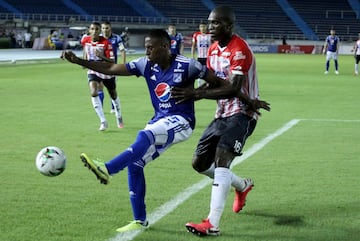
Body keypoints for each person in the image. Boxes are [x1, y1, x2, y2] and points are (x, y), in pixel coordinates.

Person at [61, 29, 233, 233]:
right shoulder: (145, 64)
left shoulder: (188, 66)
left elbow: (221, 84)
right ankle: (139, 219)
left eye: (151, 47)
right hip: (159, 119)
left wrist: (196, 93)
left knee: (144, 136)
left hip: (182, 121)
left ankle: (108, 168)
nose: (147, 51)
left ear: (166, 47)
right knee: (136, 163)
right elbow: (112, 67)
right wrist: (80, 61)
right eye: (146, 47)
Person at [171, 6, 270, 236]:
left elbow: (234, 87)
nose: (211, 27)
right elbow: (217, 83)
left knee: (222, 157)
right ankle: (242, 185)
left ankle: (212, 223)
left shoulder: (240, 50)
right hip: (222, 113)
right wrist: (192, 92)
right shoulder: (214, 49)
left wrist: (196, 94)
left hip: (243, 113)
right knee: (199, 163)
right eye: (210, 23)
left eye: (216, 23)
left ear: (229, 26)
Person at [80, 22, 123, 131]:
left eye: (97, 29)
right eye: (92, 29)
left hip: (106, 70)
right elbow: (85, 48)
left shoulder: (106, 43)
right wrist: (84, 61)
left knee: (113, 94)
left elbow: (112, 60)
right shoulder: (85, 40)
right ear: (89, 30)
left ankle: (118, 114)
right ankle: (103, 121)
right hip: (93, 70)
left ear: (100, 31)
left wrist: (102, 56)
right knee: (94, 92)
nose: (94, 31)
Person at [100, 21, 126, 119]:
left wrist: (123, 64)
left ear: (110, 28)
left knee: (112, 87)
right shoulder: (99, 38)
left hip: (112, 67)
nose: (105, 30)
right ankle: (101, 108)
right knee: (100, 86)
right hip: (100, 66)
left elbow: (122, 50)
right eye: (103, 28)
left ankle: (113, 107)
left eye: (106, 28)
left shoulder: (117, 38)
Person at [191, 21, 212, 87]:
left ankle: (208, 84)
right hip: (200, 57)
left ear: (206, 27)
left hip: (209, 57)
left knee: (209, 71)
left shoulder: (210, 35)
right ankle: (200, 85)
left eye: (204, 26)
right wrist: (192, 55)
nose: (202, 28)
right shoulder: (196, 35)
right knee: (200, 71)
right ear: (199, 28)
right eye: (201, 27)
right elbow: (193, 46)